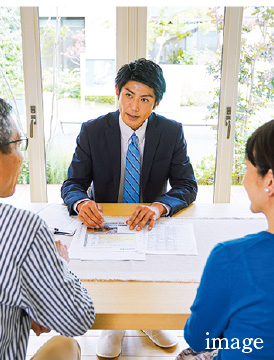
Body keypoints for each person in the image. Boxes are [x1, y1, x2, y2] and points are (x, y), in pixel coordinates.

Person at [61, 58, 197, 358]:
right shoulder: (93, 130)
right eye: (128, 95)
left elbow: (187, 186)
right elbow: (72, 184)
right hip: (106, 221)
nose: (134, 106)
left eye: (144, 98)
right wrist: (82, 202)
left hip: (150, 221)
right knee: (113, 270)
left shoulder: (171, 132)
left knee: (150, 270)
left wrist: (160, 206)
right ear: (117, 92)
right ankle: (116, 324)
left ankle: (146, 317)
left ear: (156, 103)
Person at [0, 98, 95, 360]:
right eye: (17, 144)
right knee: (67, 344)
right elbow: (76, 319)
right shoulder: (22, 228)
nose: (21, 156)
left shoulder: (171, 131)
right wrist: (58, 263)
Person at [176, 120, 274, 360]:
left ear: (269, 181)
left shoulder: (232, 258)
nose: (244, 179)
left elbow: (198, 338)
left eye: (248, 167)